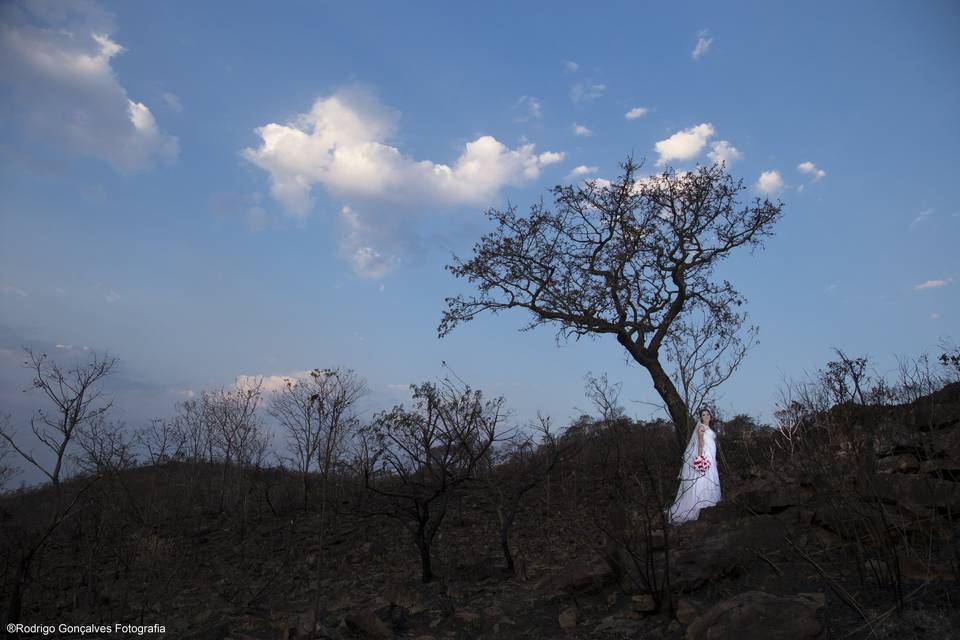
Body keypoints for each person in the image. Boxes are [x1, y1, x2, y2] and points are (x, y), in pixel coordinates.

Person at [666, 408, 721, 525]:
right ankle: (701, 501)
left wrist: (714, 458)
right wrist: (701, 458)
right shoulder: (701, 427)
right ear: (700, 417)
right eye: (703, 415)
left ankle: (710, 500)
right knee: (703, 478)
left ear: (710, 416)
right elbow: (700, 442)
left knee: (710, 477)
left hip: (711, 455)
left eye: (707, 414)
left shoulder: (710, 428)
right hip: (705, 456)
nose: (706, 416)